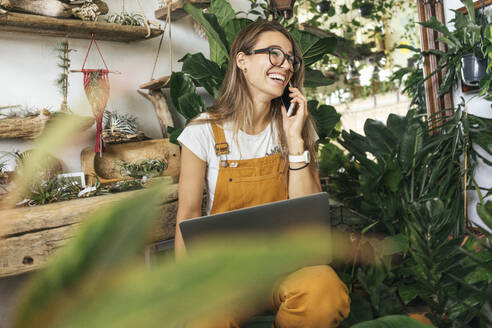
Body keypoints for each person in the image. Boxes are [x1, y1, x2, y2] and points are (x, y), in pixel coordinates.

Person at [176, 20, 350, 328]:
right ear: (241, 61)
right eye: (274, 54)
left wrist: (295, 141)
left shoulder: (294, 126)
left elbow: (307, 218)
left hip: (286, 267)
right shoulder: (201, 132)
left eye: (291, 59)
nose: (286, 65)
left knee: (324, 291)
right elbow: (187, 214)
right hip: (224, 275)